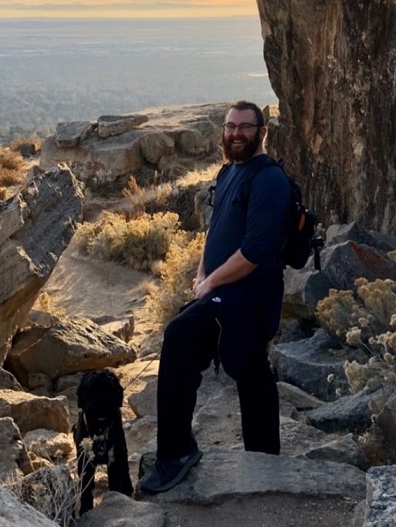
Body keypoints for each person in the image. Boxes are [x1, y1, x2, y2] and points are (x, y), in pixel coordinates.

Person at [139, 100, 290, 494]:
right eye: (230, 126)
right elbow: (216, 230)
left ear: (262, 132)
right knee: (249, 367)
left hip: (251, 296)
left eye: (245, 126)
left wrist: (212, 285)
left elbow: (256, 251)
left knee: (180, 338)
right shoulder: (228, 173)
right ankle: (264, 459)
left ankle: (175, 453)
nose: (236, 133)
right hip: (225, 291)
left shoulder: (270, 179)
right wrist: (202, 273)